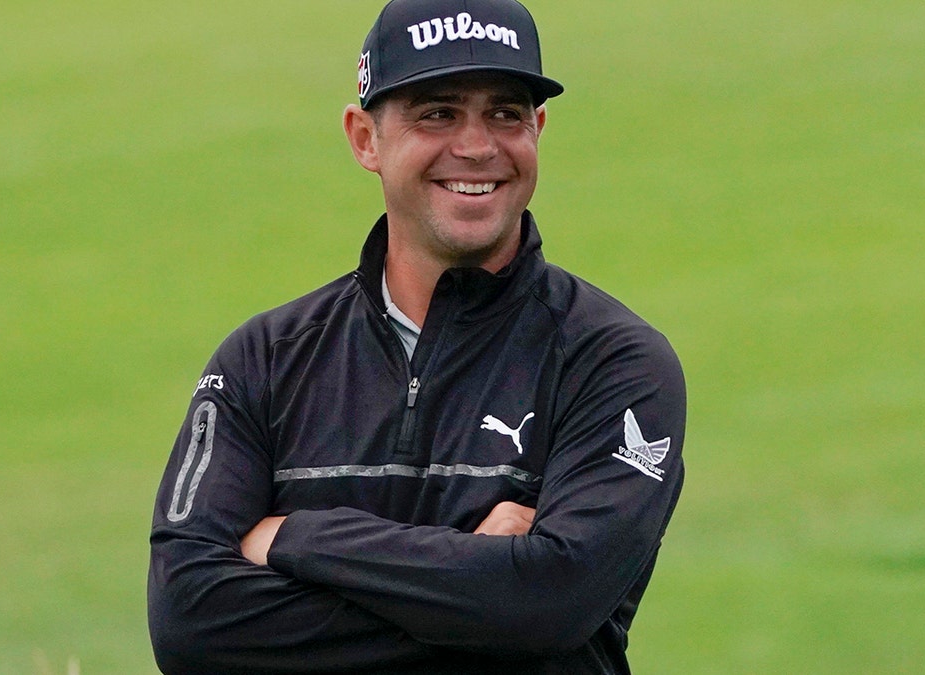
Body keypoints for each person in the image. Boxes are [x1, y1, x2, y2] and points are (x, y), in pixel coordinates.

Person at [148, 0, 686, 672]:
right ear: (364, 138)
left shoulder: (613, 362)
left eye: (506, 112)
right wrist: (479, 585)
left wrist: (296, 536)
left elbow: (548, 603)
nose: (477, 145)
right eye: (438, 112)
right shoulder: (263, 361)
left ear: (538, 129)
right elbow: (189, 622)